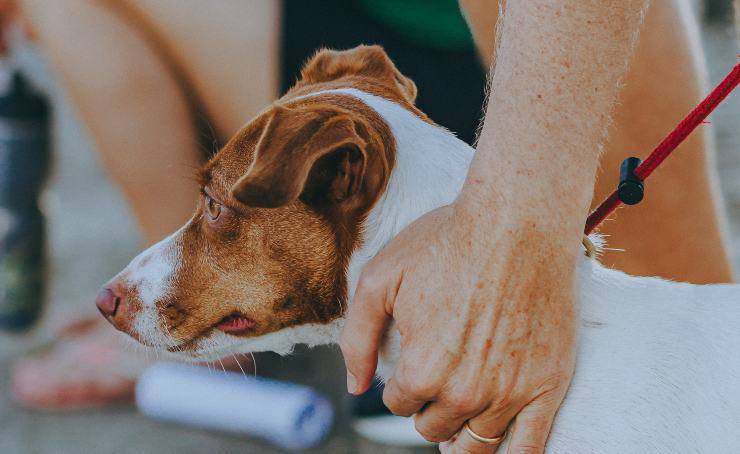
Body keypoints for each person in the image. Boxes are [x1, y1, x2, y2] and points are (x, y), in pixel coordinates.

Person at [7, 0, 733, 451]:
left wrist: (515, 230)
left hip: (530, 52)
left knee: (675, 316)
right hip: (369, 51)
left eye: (219, 214)